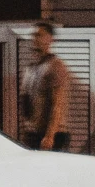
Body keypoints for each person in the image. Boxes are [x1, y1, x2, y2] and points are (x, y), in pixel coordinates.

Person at [20, 22, 73, 150]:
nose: (36, 39)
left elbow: (57, 104)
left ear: (51, 40)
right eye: (34, 35)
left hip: (53, 134)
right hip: (33, 132)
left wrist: (50, 136)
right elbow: (26, 103)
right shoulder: (31, 68)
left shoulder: (55, 66)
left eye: (40, 35)